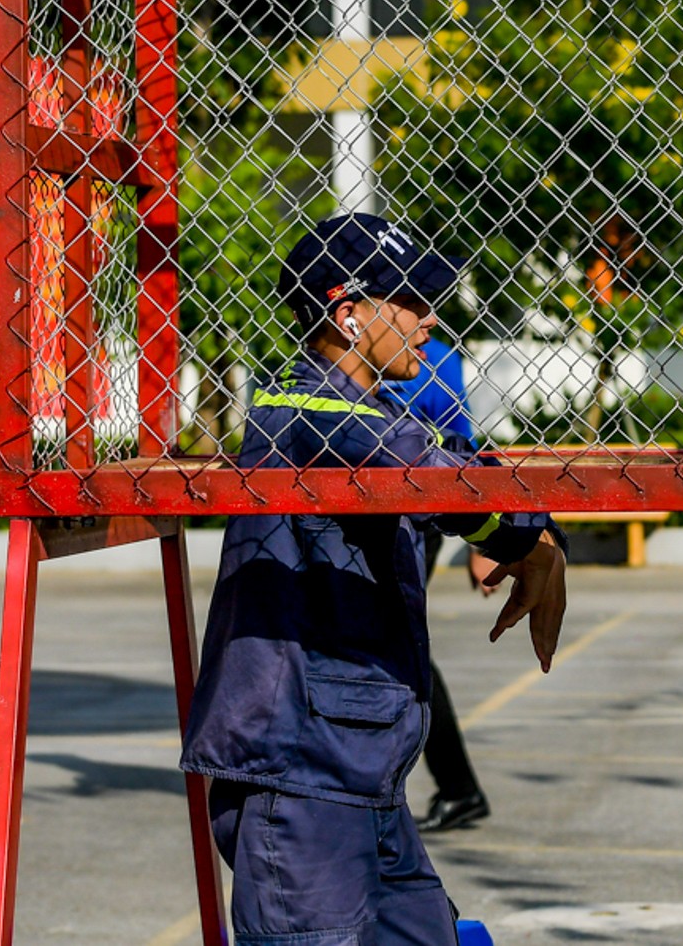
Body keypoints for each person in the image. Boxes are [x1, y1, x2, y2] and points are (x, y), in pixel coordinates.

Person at [182, 213, 569, 946]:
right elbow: (436, 473)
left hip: (361, 770)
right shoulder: (302, 409)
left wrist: (536, 537)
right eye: (410, 300)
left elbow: (459, 474)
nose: (431, 318)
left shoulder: (369, 414)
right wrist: (532, 541)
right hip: (297, 772)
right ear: (348, 314)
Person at [385, 336, 494, 834]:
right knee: (391, 646)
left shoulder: (433, 357)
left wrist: (482, 543)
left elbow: (459, 447)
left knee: (400, 647)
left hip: (412, 517)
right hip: (367, 512)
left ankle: (458, 787)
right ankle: (455, 788)